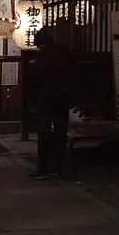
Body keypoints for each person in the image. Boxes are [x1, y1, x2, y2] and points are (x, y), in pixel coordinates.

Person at [29, 27, 77, 178]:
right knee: (60, 132)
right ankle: (58, 168)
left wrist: (33, 98)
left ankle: (43, 168)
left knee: (44, 133)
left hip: (47, 98)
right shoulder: (65, 53)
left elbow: (36, 78)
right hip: (63, 98)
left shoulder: (43, 56)